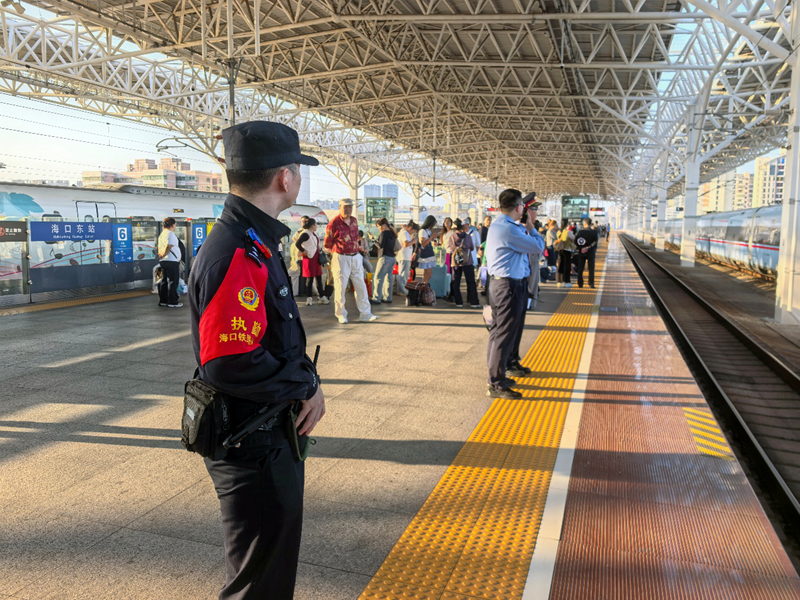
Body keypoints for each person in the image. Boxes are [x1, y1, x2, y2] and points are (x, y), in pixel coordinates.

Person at [188, 120, 325, 600]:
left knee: (268, 570)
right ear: (285, 178)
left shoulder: (255, 240)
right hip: (253, 443)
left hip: (263, 434)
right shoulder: (241, 250)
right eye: (298, 171)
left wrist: (307, 382)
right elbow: (228, 361)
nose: (299, 180)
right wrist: (301, 386)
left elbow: (269, 341)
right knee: (258, 582)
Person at [485, 189, 545, 400]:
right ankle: (496, 383)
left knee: (500, 332)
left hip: (505, 285)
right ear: (519, 207)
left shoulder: (500, 225)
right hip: (507, 288)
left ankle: (499, 375)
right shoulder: (511, 230)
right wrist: (531, 227)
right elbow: (538, 247)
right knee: (502, 335)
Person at [324, 199, 378, 324]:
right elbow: (327, 244)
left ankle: (365, 313)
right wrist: (338, 254)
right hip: (341, 257)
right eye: (345, 207)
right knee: (340, 287)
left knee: (361, 286)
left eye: (350, 207)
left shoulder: (354, 220)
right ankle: (341, 314)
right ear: (339, 207)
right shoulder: (333, 223)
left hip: (356, 256)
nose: (348, 210)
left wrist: (358, 249)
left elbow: (354, 239)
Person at [295, 218, 330, 305]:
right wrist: (303, 251)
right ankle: (309, 298)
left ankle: (322, 296)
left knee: (318, 277)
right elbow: (297, 243)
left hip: (316, 257)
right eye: (315, 224)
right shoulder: (305, 234)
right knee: (309, 279)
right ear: (312, 225)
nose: (316, 226)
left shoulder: (312, 234)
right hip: (309, 258)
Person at [451, 219, 480, 308]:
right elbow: (472, 247)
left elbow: (452, 249)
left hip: (456, 262)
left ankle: (458, 302)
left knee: (456, 282)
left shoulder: (452, 236)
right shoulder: (467, 236)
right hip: (467, 261)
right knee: (471, 281)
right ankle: (474, 302)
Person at [157, 217, 182, 308]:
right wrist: (163, 254)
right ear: (172, 225)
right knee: (173, 281)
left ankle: (163, 300)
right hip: (171, 261)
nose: (175, 226)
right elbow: (169, 246)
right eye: (175, 224)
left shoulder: (162, 234)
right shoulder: (170, 234)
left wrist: (161, 255)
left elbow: (160, 247)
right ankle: (172, 301)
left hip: (163, 261)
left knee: (164, 281)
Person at [372, 217, 397, 303]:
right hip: (392, 258)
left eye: (379, 226)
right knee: (388, 278)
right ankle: (388, 297)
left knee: (378, 277)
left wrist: (373, 239)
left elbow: (380, 246)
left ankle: (376, 298)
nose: (379, 229)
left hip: (385, 258)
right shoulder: (392, 233)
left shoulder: (384, 234)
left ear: (384, 225)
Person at [575, 217, 599, 289]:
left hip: (581, 252)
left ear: (585, 223)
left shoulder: (580, 232)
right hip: (591, 252)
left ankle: (580, 283)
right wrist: (588, 247)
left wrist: (581, 248)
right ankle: (591, 283)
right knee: (591, 268)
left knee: (580, 268)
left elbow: (576, 241)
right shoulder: (594, 232)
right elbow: (595, 242)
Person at [395, 221, 415, 296]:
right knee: (403, 273)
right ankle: (402, 290)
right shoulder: (404, 233)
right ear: (410, 228)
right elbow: (405, 244)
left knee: (404, 273)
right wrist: (414, 241)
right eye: (413, 231)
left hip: (405, 256)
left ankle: (402, 289)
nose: (412, 233)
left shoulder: (404, 233)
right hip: (403, 256)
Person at [417, 215, 437, 284]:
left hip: (428, 253)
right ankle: (424, 287)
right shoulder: (422, 231)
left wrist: (432, 238)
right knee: (428, 274)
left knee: (426, 274)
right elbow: (423, 244)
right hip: (426, 254)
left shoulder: (427, 231)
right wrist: (431, 237)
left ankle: (424, 287)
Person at [556, 218, 575, 288]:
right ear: (567, 224)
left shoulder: (559, 232)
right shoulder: (568, 232)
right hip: (567, 250)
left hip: (560, 250)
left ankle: (559, 281)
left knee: (560, 265)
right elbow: (573, 238)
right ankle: (566, 281)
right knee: (566, 266)